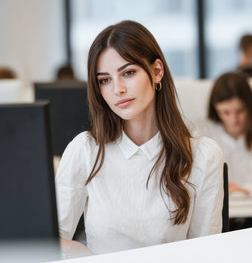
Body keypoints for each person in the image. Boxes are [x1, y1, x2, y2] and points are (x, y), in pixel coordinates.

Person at [55, 20, 223, 257]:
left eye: (128, 73)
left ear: (157, 71)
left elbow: (207, 255)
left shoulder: (203, 156)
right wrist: (85, 255)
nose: (118, 89)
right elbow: (50, 241)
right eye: (105, 80)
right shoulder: (85, 150)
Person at [205, 71, 252, 195]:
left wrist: (245, 190)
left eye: (240, 110)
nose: (234, 120)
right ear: (215, 109)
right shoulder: (205, 136)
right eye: (226, 112)